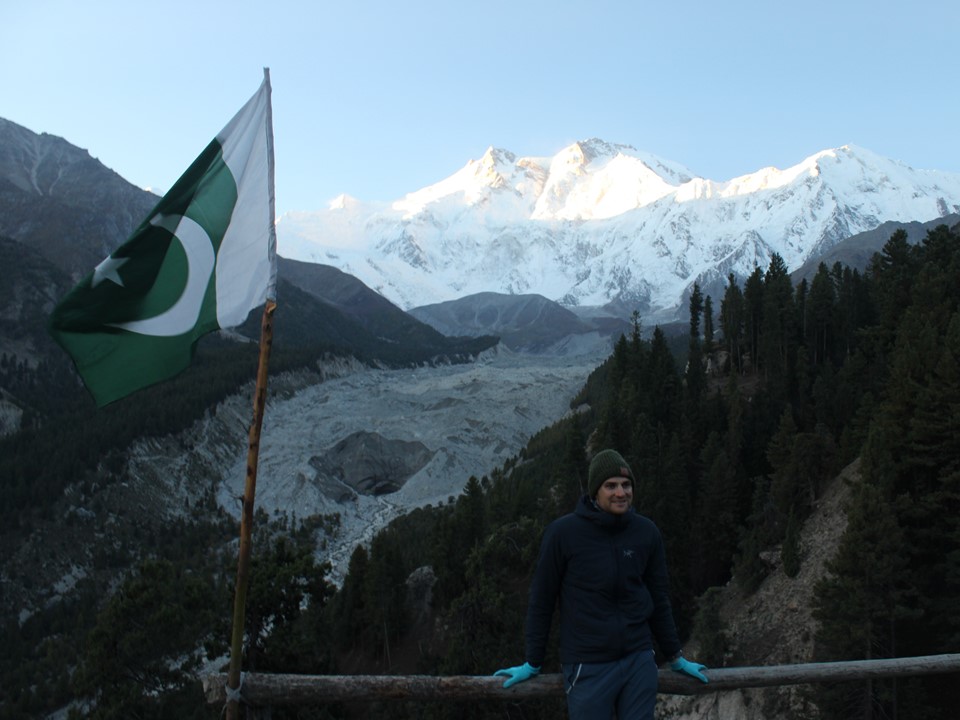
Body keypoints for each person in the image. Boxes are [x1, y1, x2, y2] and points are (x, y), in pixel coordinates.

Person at [494, 448, 708, 718]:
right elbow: (542, 599)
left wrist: (675, 656)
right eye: (611, 486)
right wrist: (532, 662)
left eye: (626, 485)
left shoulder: (646, 532)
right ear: (595, 491)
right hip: (588, 664)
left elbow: (658, 597)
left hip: (638, 660)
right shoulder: (563, 533)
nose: (621, 493)